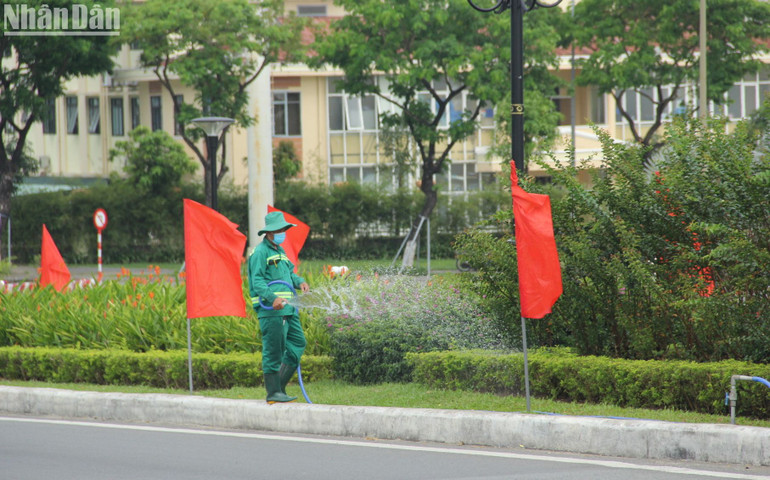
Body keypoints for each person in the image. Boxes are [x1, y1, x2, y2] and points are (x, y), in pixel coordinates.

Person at [248, 211, 310, 403]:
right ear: (269, 232)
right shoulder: (260, 253)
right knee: (274, 350)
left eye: (284, 229)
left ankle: (279, 388)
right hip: (272, 310)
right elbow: (257, 281)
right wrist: (272, 298)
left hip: (288, 309)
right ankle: (273, 393)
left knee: (298, 343)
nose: (282, 232)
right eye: (279, 229)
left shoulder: (280, 252)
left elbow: (290, 274)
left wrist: (300, 282)